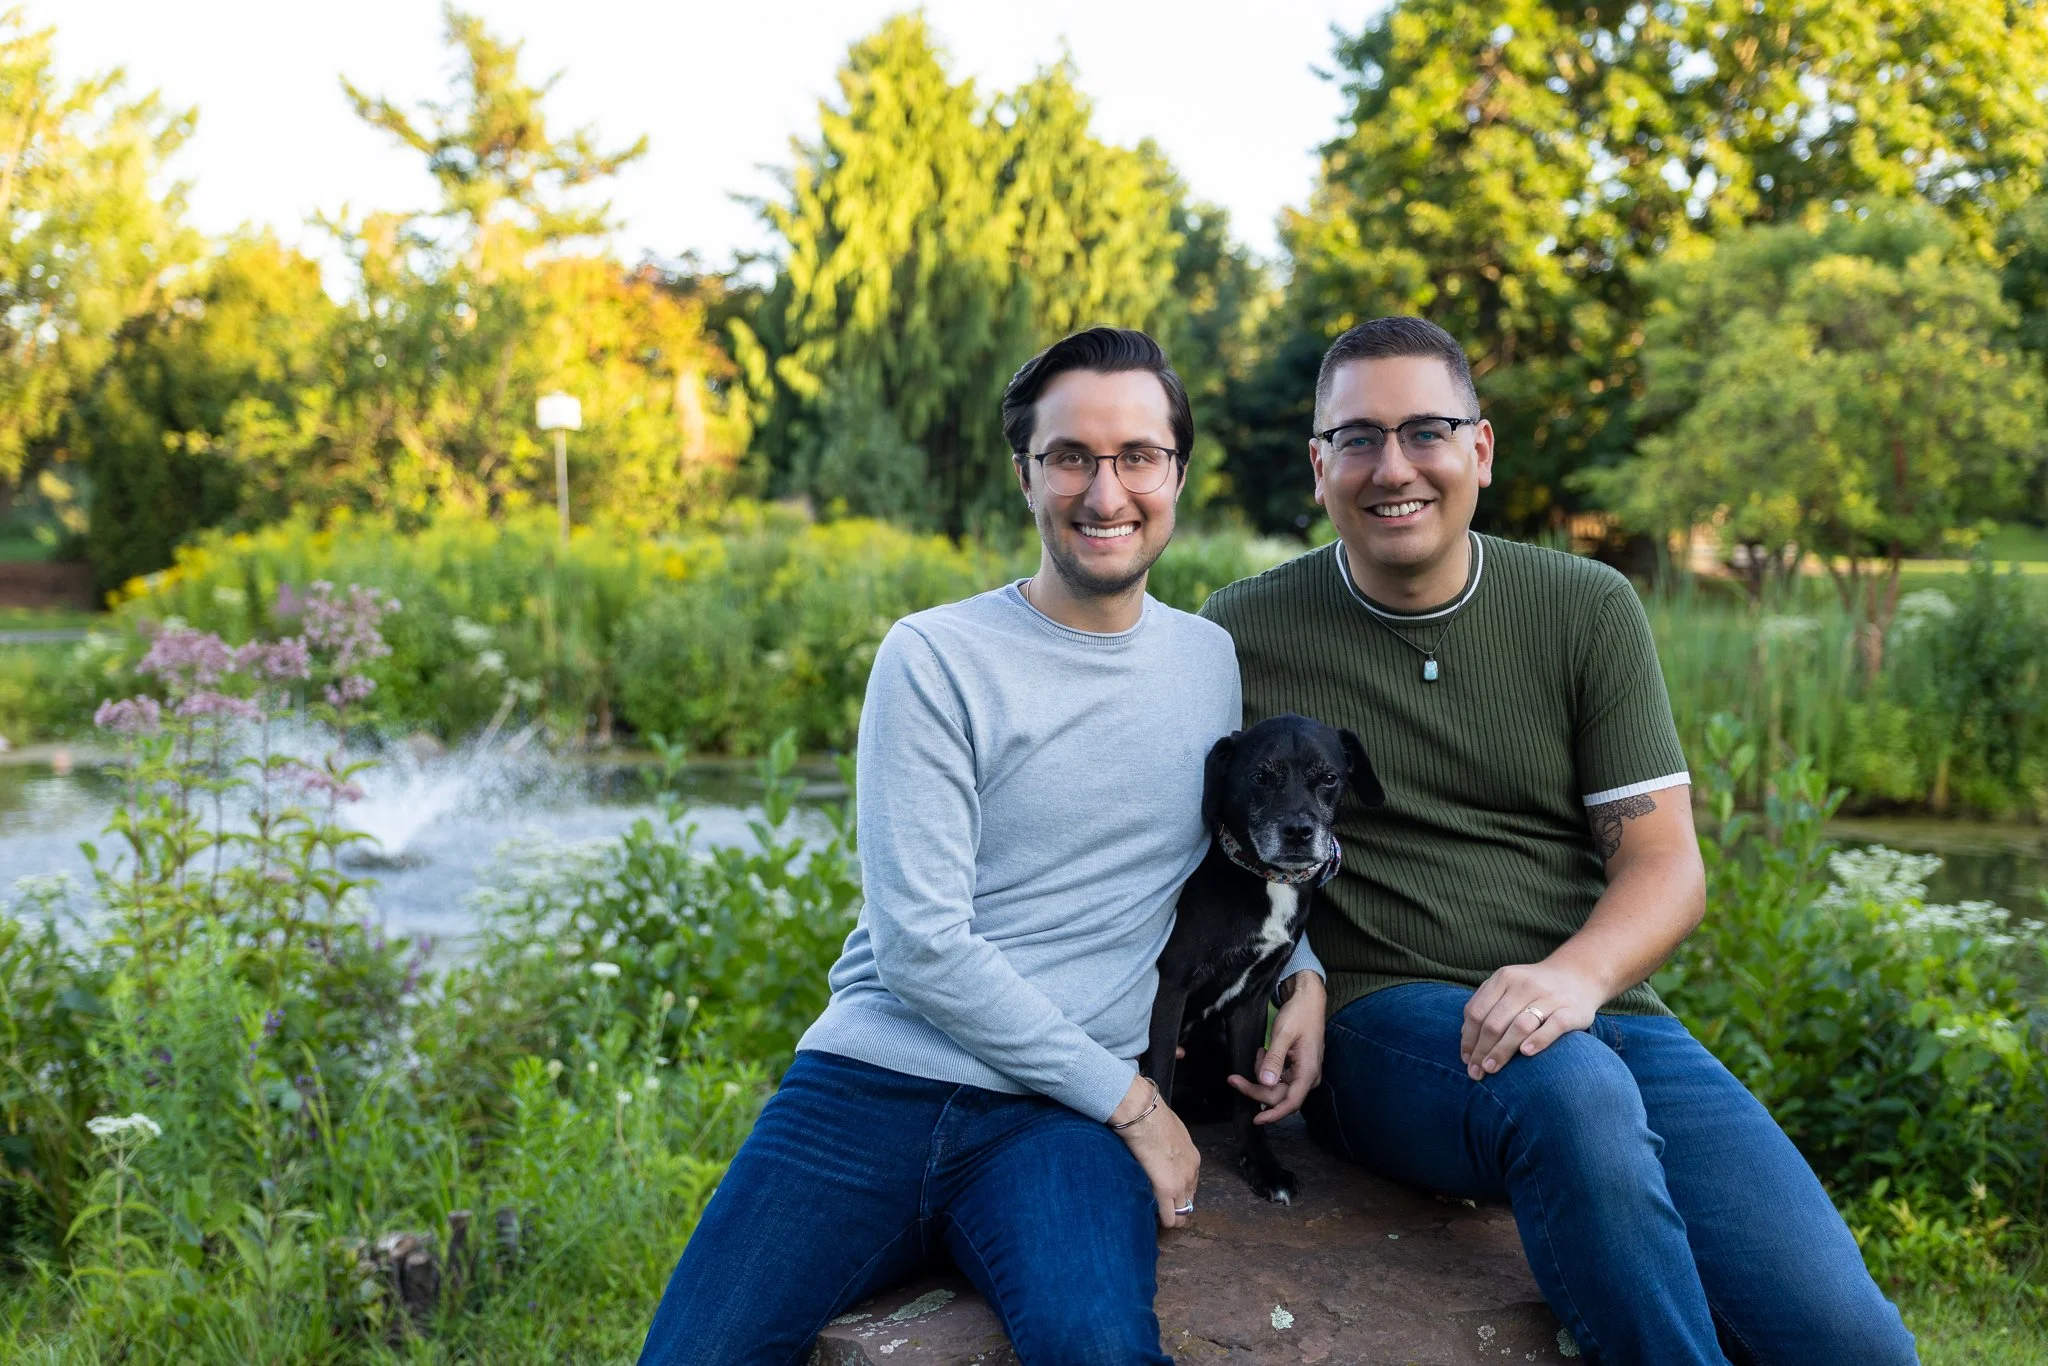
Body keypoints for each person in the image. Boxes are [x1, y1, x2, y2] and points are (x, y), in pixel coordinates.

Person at [1197, 316, 1919, 1366]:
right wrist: (1299, 969)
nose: (1392, 468)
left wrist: (1574, 978)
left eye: (1425, 431)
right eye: (1356, 439)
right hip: (1389, 1021)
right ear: (1318, 466)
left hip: (1599, 1011)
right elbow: (1189, 844)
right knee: (1567, 1091)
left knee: (1853, 1343)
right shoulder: (1242, 629)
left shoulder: (1585, 607)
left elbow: (1663, 864)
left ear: (1480, 450)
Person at [637, 326, 1327, 1366]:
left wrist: (1302, 970)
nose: (1105, 492)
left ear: (1177, 473)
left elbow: (1233, 854)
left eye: (1138, 456)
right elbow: (921, 946)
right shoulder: (934, 656)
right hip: (872, 1088)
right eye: (1070, 456)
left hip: (1054, 1122)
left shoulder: (1207, 661)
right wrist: (1135, 1105)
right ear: (1025, 473)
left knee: (1098, 1350)